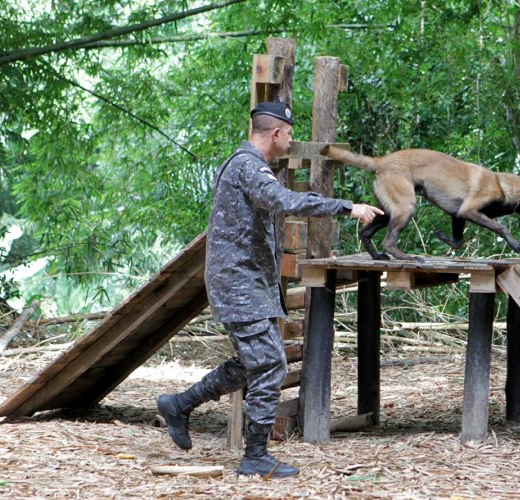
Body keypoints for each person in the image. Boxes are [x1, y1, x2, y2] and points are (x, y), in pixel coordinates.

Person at [156, 102, 383, 479]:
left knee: (253, 361)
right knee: (270, 363)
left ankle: (180, 404)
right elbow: (286, 201)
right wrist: (348, 207)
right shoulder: (248, 167)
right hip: (238, 284)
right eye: (290, 133)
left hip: (247, 283)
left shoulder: (247, 165)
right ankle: (255, 456)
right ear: (276, 133)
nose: (291, 140)